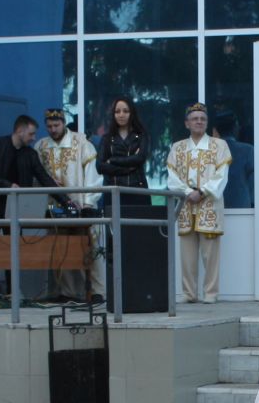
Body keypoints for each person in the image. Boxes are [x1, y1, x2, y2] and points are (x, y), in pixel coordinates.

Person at [0, 115, 68, 302]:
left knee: (15, 249)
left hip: (16, 211)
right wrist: (7, 185)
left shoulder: (30, 155)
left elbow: (45, 179)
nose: (33, 138)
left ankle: (12, 292)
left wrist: (66, 201)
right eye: (31, 133)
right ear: (19, 131)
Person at [167, 103, 232, 304]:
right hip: (185, 206)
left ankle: (210, 294)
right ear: (187, 123)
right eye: (195, 118)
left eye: (202, 119)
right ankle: (189, 293)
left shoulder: (219, 145)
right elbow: (172, 177)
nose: (199, 122)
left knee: (210, 254)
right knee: (187, 256)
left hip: (209, 205)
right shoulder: (177, 147)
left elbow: (222, 175)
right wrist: (188, 193)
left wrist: (202, 192)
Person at [38, 109, 100, 302]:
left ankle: (96, 291)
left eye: (56, 125)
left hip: (80, 205)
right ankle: (67, 292)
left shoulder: (81, 144)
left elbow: (92, 175)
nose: (53, 129)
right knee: (59, 247)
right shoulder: (41, 146)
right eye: (49, 126)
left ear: (64, 123)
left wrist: (89, 201)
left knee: (87, 247)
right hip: (53, 208)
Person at [95, 96, 151, 199]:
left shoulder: (141, 135)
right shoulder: (107, 138)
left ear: (132, 113)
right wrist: (128, 168)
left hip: (137, 191)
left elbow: (139, 158)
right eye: (117, 111)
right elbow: (100, 166)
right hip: (113, 192)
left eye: (125, 111)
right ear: (113, 114)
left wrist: (112, 160)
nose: (121, 115)